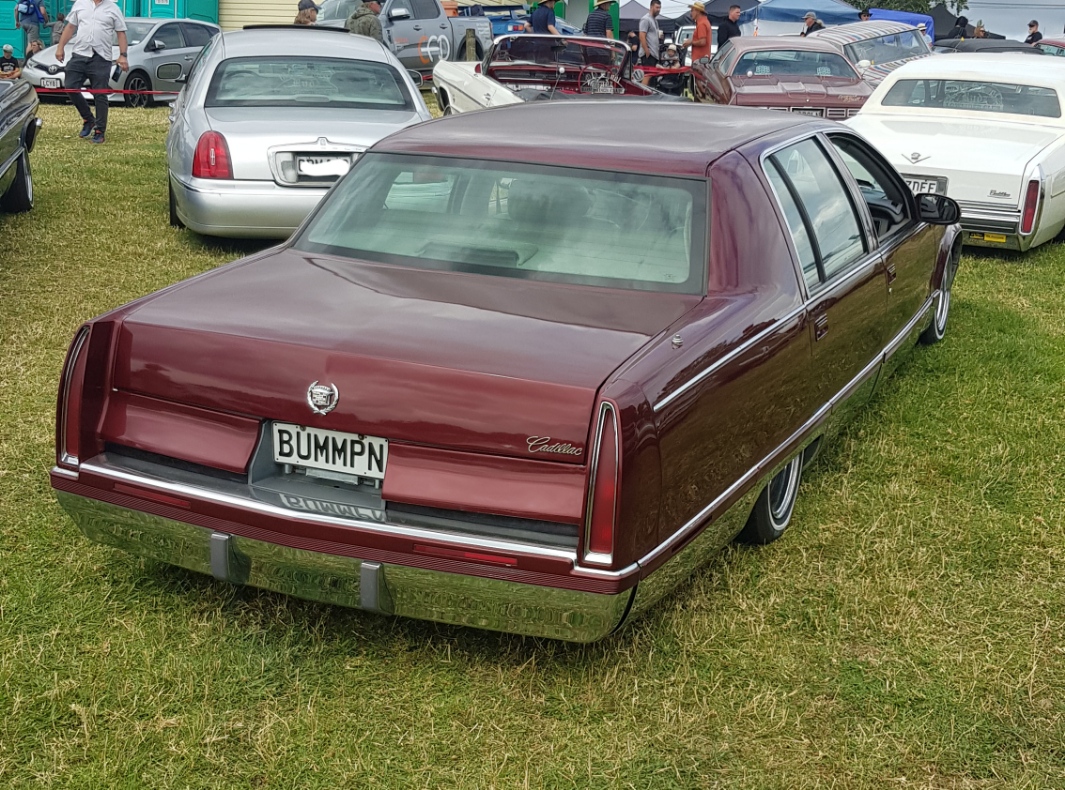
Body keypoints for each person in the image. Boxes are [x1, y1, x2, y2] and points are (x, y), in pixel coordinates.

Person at [55, 0, 129, 145]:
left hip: (101, 57)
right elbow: (70, 27)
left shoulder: (113, 8)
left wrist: (123, 55)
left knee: (99, 93)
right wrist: (60, 47)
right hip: (80, 54)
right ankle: (88, 119)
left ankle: (100, 131)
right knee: (70, 86)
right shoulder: (80, 4)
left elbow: (121, 33)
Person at [638, 0, 661, 69]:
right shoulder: (646, 19)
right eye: (657, 7)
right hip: (648, 55)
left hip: (653, 55)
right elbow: (642, 35)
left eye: (660, 8)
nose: (658, 10)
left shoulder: (654, 20)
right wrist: (647, 51)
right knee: (647, 76)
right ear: (651, 7)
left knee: (651, 78)